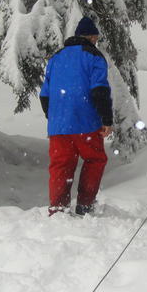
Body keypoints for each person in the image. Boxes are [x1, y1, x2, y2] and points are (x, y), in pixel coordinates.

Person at [39, 16, 113, 216]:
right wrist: (106, 119)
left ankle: (58, 208)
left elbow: (44, 95)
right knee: (95, 160)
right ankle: (85, 205)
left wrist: (54, 118)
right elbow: (99, 90)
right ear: (91, 37)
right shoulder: (94, 56)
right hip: (86, 121)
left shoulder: (56, 58)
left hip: (59, 126)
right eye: (95, 38)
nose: (96, 41)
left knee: (61, 165)